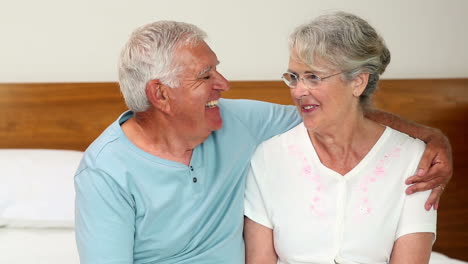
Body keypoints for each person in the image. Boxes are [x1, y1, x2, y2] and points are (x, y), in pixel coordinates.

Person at [74, 20, 451, 263]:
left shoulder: (237, 120)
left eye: (313, 77)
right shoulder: (105, 173)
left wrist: (430, 137)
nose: (223, 83)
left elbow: (337, 116)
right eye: (206, 76)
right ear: (160, 95)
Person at [244, 12, 439, 264]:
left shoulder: (413, 159)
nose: (299, 91)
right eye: (293, 77)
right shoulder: (269, 156)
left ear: (358, 82)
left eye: (313, 77)